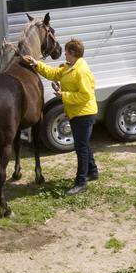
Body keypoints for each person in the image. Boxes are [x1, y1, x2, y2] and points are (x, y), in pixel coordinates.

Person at [22, 39, 98, 196]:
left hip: (84, 114)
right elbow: (53, 73)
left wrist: (63, 95)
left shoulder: (81, 71)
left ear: (74, 54)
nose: (64, 54)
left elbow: (85, 95)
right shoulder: (68, 67)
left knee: (81, 148)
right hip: (76, 113)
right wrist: (36, 64)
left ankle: (81, 182)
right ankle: (93, 171)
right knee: (83, 144)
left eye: (67, 52)